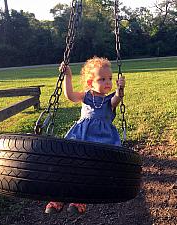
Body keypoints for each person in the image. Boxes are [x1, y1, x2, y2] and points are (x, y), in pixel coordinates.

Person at [45, 56, 125, 215]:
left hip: (103, 139)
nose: (108, 82)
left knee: (92, 169)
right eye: (102, 79)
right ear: (90, 83)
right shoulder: (86, 96)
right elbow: (70, 96)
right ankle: (58, 197)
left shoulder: (109, 100)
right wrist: (68, 75)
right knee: (69, 163)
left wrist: (120, 89)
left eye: (109, 78)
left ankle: (80, 199)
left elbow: (117, 99)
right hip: (81, 135)